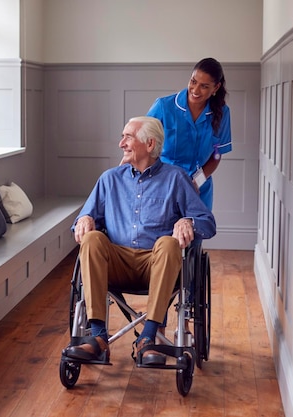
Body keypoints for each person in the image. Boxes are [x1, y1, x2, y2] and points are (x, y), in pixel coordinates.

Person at [64, 116, 216, 366]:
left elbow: (208, 224)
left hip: (156, 263)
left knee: (169, 243)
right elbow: (82, 220)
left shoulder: (176, 179)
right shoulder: (110, 179)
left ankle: (148, 337)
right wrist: (84, 220)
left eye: (128, 137)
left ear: (149, 144)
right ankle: (99, 337)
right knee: (91, 239)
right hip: (116, 262)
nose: (121, 143)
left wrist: (188, 221)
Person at [122, 58, 231, 211]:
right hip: (162, 185)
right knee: (162, 233)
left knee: (193, 232)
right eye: (193, 81)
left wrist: (197, 182)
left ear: (216, 88)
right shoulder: (163, 106)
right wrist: (121, 176)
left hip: (199, 189)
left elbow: (217, 154)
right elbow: (138, 141)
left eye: (204, 86)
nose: (195, 90)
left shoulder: (222, 113)